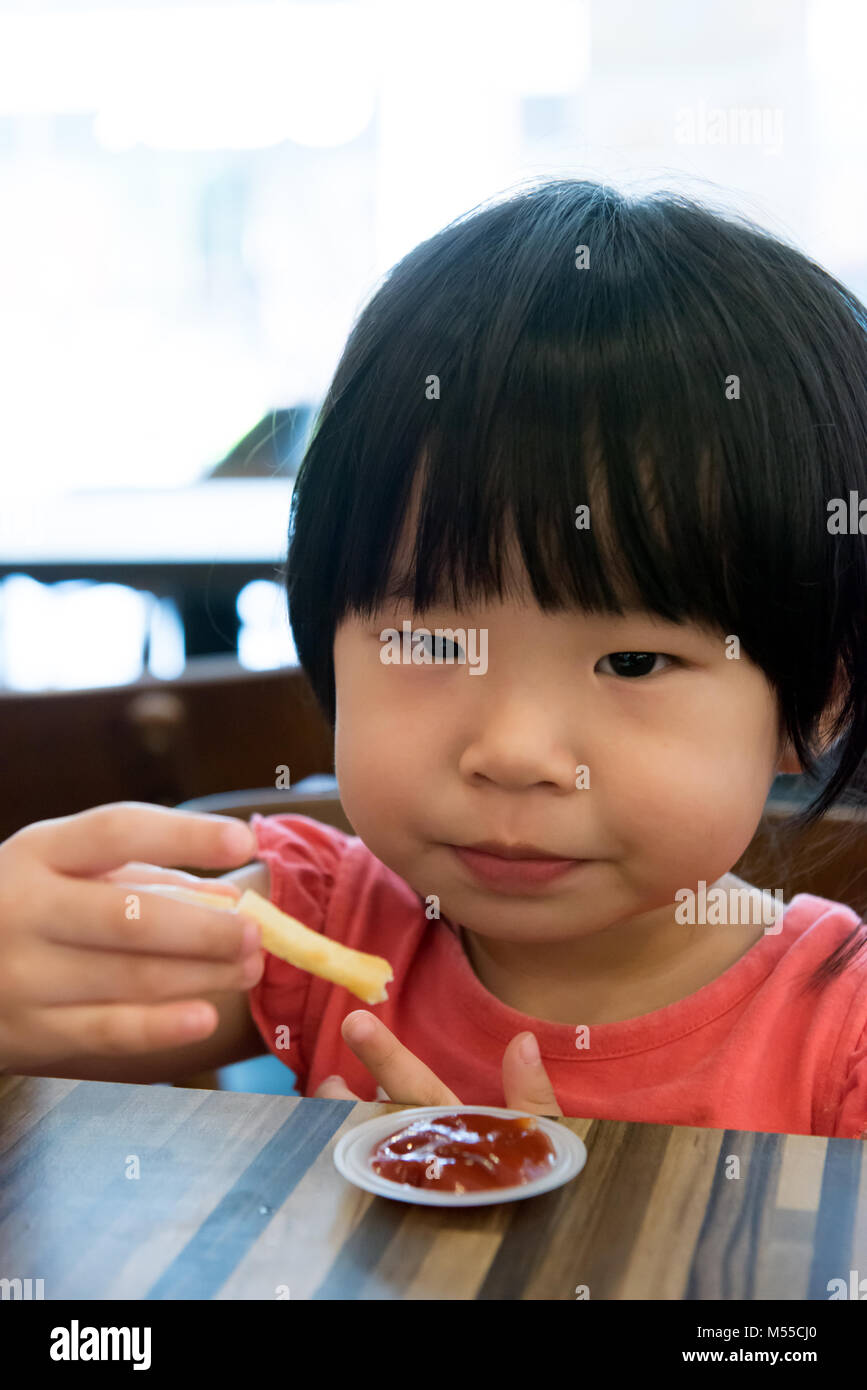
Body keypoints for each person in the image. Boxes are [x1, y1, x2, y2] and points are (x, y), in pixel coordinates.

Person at [2, 179, 866, 1138]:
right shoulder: (318, 928)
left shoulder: (841, 1042)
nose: (512, 751)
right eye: (432, 641)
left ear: (816, 700)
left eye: (630, 662)